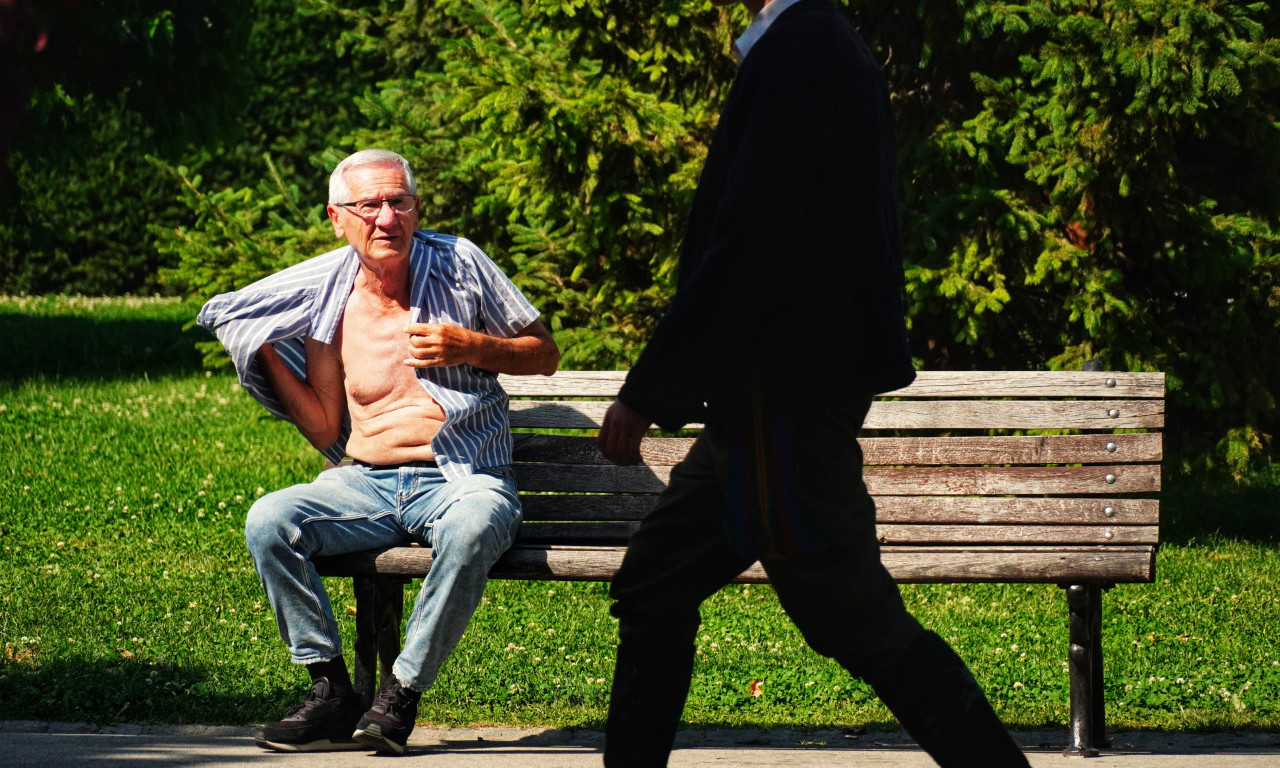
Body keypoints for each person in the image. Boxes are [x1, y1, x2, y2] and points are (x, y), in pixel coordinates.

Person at [595, 2, 1030, 767]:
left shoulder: (799, 52)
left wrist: (649, 388)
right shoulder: (821, 47)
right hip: (760, 409)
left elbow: (750, 244)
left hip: (782, 403)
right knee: (655, 583)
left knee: (850, 612)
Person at [198, 149, 559, 755]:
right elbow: (322, 428)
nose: (387, 217)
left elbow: (544, 354)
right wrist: (258, 344)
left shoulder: (462, 264)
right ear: (338, 218)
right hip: (365, 481)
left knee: (475, 525)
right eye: (370, 205)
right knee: (269, 520)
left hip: (462, 476)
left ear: (416, 210)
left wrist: (472, 346)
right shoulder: (327, 300)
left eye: (400, 202)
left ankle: (398, 694)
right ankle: (331, 690)